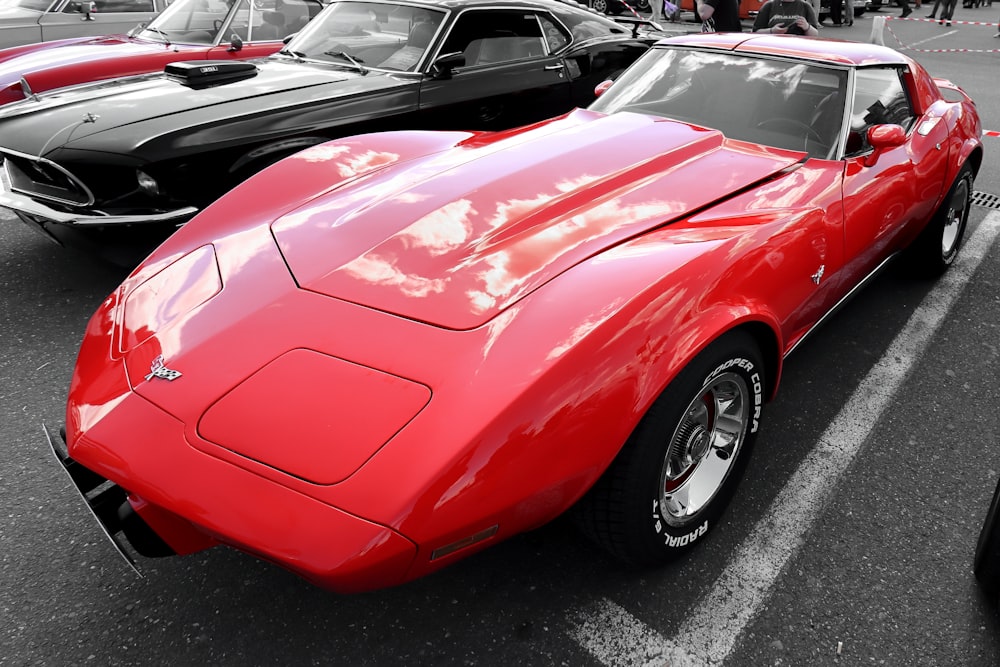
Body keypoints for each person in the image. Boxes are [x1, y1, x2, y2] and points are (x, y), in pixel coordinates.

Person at [752, 0, 820, 34]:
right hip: (773, 47)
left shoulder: (805, 6)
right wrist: (772, 31)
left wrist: (807, 27)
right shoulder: (769, 5)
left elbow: (815, 34)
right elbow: (756, 32)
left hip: (798, 48)